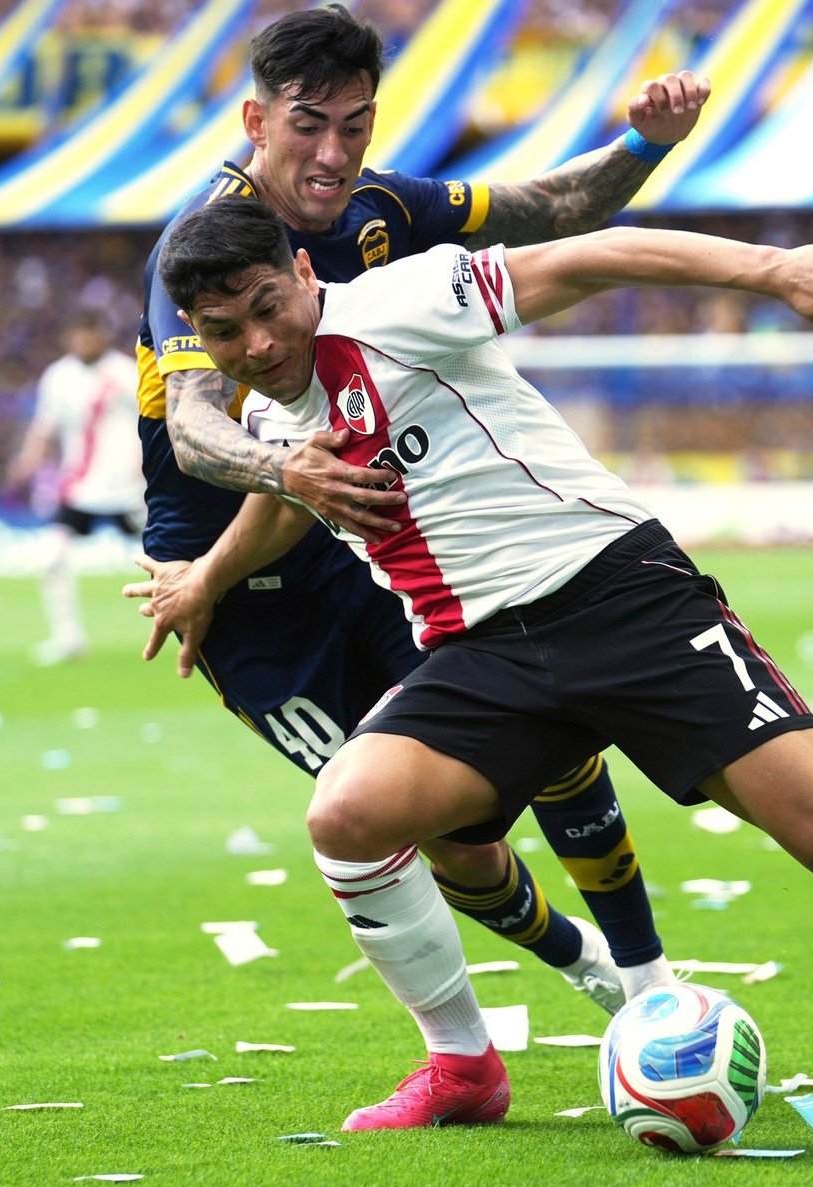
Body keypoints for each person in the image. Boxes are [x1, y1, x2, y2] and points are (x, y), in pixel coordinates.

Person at [148, 194, 813, 1133]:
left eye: (268, 307)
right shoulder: (269, 423)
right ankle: (463, 1066)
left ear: (304, 274)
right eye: (225, 332)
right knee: (348, 817)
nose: (258, 345)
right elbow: (284, 503)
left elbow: (585, 257)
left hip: (621, 597)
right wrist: (204, 583)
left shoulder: (403, 303)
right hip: (479, 656)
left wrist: (772, 271)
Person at [128, 5, 711, 1031]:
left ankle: (649, 983)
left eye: (355, 124)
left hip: (377, 539)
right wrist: (284, 479)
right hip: (234, 582)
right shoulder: (202, 246)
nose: (334, 150)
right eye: (310, 124)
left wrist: (641, 144)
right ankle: (582, 969)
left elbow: (548, 207)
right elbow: (192, 428)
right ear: (256, 119)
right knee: (447, 842)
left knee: (552, 739)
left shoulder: (384, 207)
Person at [5, 308, 144, 665]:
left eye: (90, 333)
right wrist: (27, 460)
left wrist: (146, 464)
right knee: (51, 557)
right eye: (78, 334)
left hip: (127, 489)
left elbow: (152, 420)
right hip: (80, 489)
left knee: (164, 558)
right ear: (69, 338)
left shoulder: (124, 373)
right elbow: (44, 426)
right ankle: (68, 638)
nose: (84, 341)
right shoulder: (58, 377)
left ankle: (190, 627)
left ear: (102, 335)